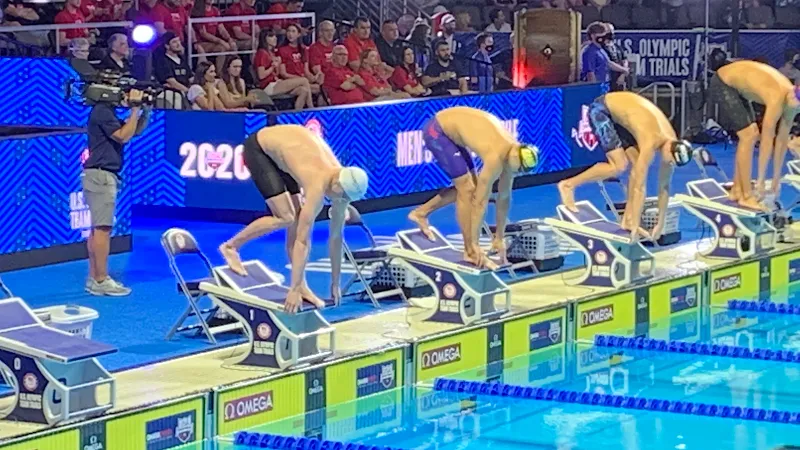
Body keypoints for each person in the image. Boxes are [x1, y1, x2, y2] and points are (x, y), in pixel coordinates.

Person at [218, 125, 369, 313]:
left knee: (296, 216)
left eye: (347, 199)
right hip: (259, 149)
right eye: (343, 197)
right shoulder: (317, 185)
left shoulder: (341, 182)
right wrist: (293, 289)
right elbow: (302, 241)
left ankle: (302, 286)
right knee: (286, 217)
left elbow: (336, 238)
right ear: (338, 186)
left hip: (285, 155)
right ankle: (231, 247)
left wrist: (335, 283)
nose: (342, 202)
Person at [407, 107, 540, 269]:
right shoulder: (496, 158)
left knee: (470, 187)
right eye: (518, 169)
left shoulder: (513, 154)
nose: (517, 173)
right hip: (436, 130)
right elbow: (479, 203)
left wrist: (499, 237)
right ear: (514, 157)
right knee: (468, 189)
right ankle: (469, 251)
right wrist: (475, 244)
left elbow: (504, 198)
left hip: (453, 132)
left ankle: (420, 213)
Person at [557, 92, 694, 241]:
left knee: (636, 165)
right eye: (671, 161)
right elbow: (639, 187)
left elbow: (664, 186)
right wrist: (637, 224)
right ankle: (568, 185)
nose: (670, 164)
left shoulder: (672, 142)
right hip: (602, 109)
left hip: (625, 118)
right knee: (619, 166)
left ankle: (627, 220)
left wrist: (660, 223)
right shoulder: (651, 141)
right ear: (669, 150)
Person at [709, 59, 800, 208]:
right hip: (723, 82)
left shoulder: (793, 104)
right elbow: (767, 139)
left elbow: (782, 141)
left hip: (739, 88)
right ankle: (746, 196)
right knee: (749, 135)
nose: (791, 111)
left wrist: (776, 179)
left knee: (751, 134)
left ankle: (737, 190)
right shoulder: (777, 97)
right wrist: (761, 181)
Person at [83, 89, 148, 296]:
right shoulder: (102, 111)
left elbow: (133, 130)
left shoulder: (106, 112)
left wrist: (144, 111)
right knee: (102, 229)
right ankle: (101, 279)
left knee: (98, 229)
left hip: (102, 175)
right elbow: (123, 136)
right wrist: (135, 108)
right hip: (101, 175)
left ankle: (94, 277)